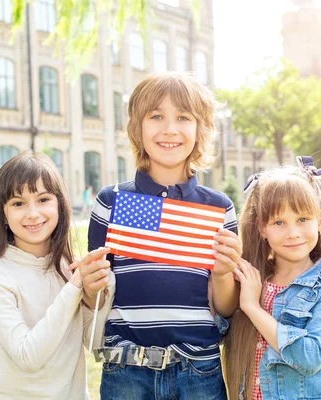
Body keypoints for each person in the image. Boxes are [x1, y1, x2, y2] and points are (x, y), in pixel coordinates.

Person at [88, 72, 242, 399]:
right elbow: (96, 300)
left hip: (198, 369)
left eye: (183, 118)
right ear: (137, 128)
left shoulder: (218, 208)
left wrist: (224, 272)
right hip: (126, 370)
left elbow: (225, 307)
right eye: (156, 116)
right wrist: (89, 285)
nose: (169, 128)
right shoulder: (113, 201)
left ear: (200, 130)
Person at [0, 152, 115, 400]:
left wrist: (99, 293)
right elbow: (29, 356)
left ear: (59, 204)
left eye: (43, 199)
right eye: (18, 203)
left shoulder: (67, 267)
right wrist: (75, 286)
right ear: (2, 214)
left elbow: (94, 344)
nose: (33, 213)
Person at [223, 158, 321, 400]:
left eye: (303, 219)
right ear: (261, 228)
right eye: (278, 222)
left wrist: (252, 308)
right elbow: (215, 332)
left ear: (320, 222)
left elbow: (310, 357)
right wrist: (220, 274)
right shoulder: (253, 279)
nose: (293, 233)